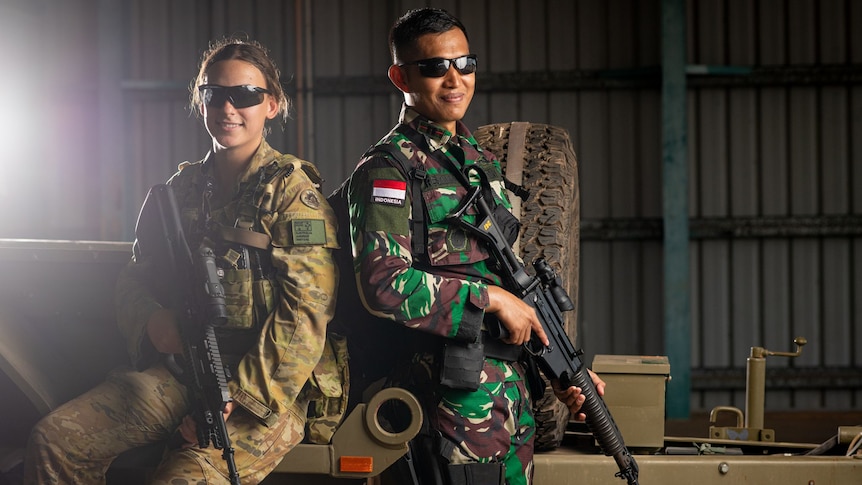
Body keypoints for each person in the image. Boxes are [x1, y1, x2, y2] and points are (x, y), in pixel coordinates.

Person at [23, 37, 343, 484]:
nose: (228, 108)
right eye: (215, 94)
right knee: (56, 440)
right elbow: (135, 278)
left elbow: (306, 314)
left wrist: (241, 397)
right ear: (201, 100)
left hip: (266, 387)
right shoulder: (179, 191)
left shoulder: (292, 194)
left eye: (245, 95)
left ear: (271, 104)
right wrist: (153, 321)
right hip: (179, 370)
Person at [346, 7, 604, 485]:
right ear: (400, 76)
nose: (454, 79)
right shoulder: (388, 171)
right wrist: (490, 299)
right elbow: (382, 283)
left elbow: (512, 289)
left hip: (510, 408)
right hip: (447, 411)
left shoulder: (479, 164)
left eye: (465, 64)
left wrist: (565, 373)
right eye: (434, 67)